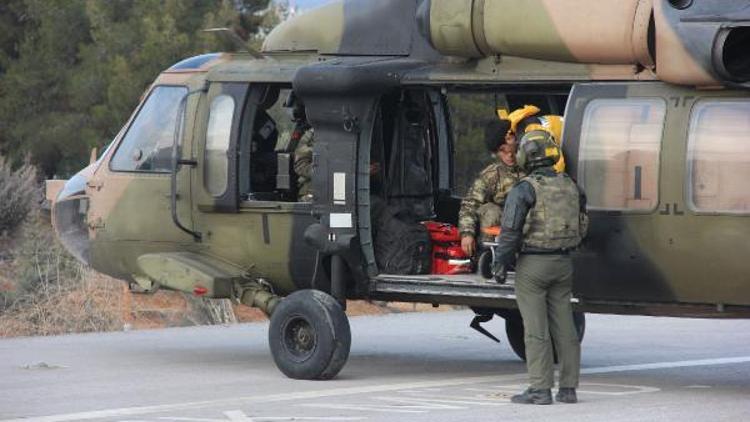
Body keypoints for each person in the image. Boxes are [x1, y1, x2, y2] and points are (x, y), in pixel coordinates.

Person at [491, 129, 588, 405]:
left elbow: (509, 231)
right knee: (565, 327)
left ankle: (540, 389)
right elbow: (583, 222)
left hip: (534, 264)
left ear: (526, 157)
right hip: (564, 262)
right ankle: (568, 389)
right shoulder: (571, 185)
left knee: (535, 329)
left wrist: (500, 263)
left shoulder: (524, 189)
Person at [458, 119, 523, 257]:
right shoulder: (491, 175)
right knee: (491, 211)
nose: (509, 155)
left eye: (511, 149)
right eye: (502, 151)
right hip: (499, 234)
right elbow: (470, 205)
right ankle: (489, 255)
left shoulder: (533, 171)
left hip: (528, 231)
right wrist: (466, 234)